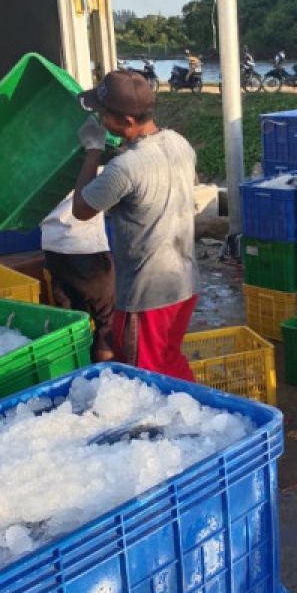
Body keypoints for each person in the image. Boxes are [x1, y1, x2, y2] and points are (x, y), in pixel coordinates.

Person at [73, 71, 198, 380]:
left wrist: (93, 151)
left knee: (147, 376)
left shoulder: (124, 168)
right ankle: (199, 417)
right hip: (184, 281)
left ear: (127, 122)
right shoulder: (179, 143)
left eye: (103, 115)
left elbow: (81, 209)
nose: (100, 120)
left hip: (148, 293)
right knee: (169, 360)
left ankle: (175, 427)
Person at [40, 187, 115, 362]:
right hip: (86, 245)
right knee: (107, 323)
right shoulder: (88, 160)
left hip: (52, 246)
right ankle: (104, 378)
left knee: (72, 322)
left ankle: (75, 373)